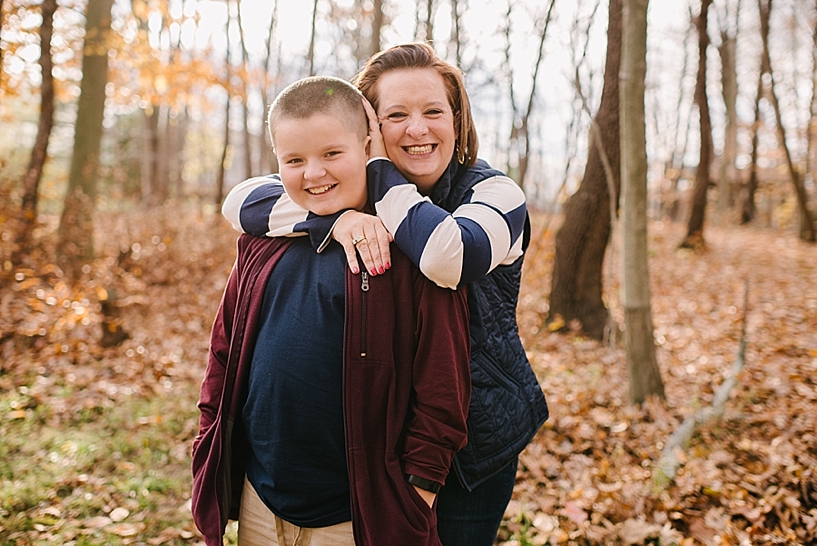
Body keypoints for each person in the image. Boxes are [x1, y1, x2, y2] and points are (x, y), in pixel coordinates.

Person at [222, 43, 549, 546]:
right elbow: (240, 202)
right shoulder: (344, 187)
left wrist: (379, 174)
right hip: (386, 445)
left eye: (433, 111)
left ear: (457, 119)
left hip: (473, 445)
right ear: (370, 126)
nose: (416, 129)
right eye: (397, 115)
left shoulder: (495, 195)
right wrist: (339, 217)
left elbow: (447, 258)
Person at [192, 76, 472, 546]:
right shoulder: (263, 245)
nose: (314, 174)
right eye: (294, 161)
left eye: (331, 154)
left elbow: (442, 394)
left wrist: (415, 496)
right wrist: (207, 438)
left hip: (358, 516)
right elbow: (223, 354)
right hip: (259, 500)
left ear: (369, 148)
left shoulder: (409, 252)